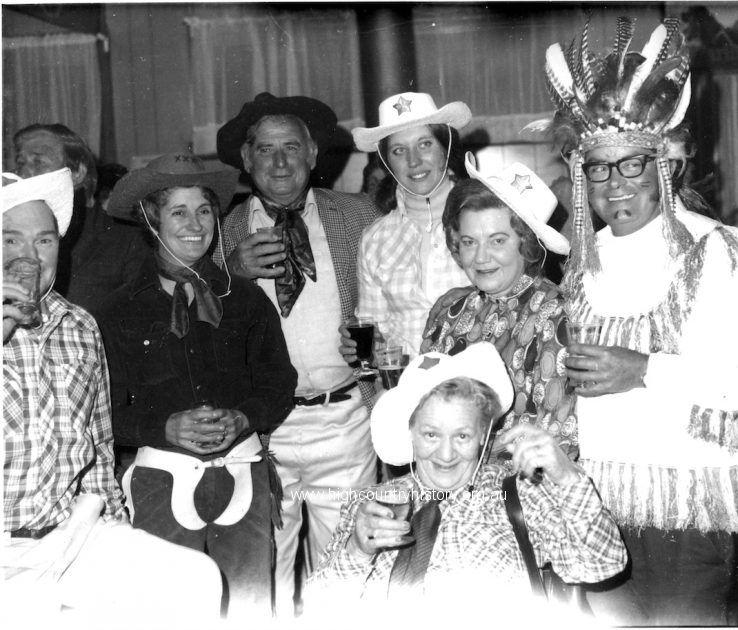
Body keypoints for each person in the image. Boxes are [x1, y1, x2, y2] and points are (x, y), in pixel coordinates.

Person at [543, 17, 738, 625]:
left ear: (665, 165)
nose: (614, 185)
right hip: (596, 503)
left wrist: (644, 369)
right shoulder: (584, 262)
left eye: (632, 165)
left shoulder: (722, 249)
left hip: (692, 505)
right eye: (599, 168)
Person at [2, 168, 223, 626]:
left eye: (44, 240)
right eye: (10, 239)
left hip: (70, 535)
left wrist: (116, 525)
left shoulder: (80, 326)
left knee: (196, 578)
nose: (29, 257)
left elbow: (100, 448)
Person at [95, 153, 296, 621]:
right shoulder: (117, 311)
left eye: (204, 210)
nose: (195, 224)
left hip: (243, 475)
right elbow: (104, 410)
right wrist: (162, 427)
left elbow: (279, 383)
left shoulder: (245, 299)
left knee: (250, 607)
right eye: (178, 212)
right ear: (152, 220)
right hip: (162, 480)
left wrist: (244, 417)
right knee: (170, 612)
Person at [305, 342, 627, 626]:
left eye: (462, 435)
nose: (446, 455)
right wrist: (357, 550)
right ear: (410, 432)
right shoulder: (372, 505)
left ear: (483, 435)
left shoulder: (517, 494)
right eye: (431, 434)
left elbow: (601, 565)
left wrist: (568, 477)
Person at [213, 92, 380, 616]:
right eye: (265, 149)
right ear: (247, 159)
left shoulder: (359, 214)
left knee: (348, 565)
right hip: (262, 431)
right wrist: (229, 274)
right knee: (264, 571)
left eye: (291, 147)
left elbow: (387, 305)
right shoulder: (218, 232)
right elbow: (195, 321)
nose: (280, 162)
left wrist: (373, 347)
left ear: (312, 154)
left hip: (346, 422)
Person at [420, 154, 576, 459]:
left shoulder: (556, 318)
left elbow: (558, 442)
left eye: (497, 241)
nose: (480, 257)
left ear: (526, 243)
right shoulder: (448, 312)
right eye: (469, 242)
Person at [344, 92, 472, 358]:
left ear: (445, 148)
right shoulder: (375, 238)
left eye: (425, 144)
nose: (413, 161)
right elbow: (375, 331)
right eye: (399, 150)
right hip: (406, 380)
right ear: (387, 162)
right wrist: (363, 349)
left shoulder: (486, 215)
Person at [13, 123, 149, 315]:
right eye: (20, 164)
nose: (23, 174)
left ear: (77, 173)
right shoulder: (10, 236)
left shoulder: (127, 241)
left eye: (38, 162)